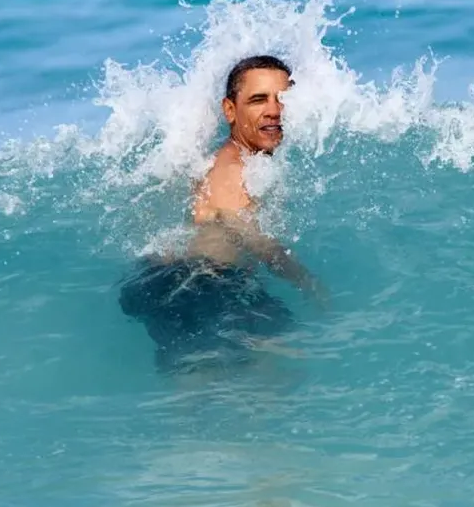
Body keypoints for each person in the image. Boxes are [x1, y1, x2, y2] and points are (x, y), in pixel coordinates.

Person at [118, 54, 326, 373]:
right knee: (279, 368)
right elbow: (252, 239)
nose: (274, 110)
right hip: (205, 286)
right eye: (259, 100)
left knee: (199, 398)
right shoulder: (233, 169)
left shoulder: (232, 159)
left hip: (180, 282)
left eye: (283, 99)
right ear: (230, 110)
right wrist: (308, 283)